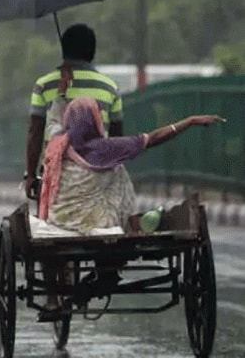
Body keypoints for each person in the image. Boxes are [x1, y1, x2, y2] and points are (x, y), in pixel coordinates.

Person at [37, 96, 224, 314]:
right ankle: (108, 271)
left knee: (45, 242)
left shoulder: (56, 146)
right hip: (101, 224)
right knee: (117, 170)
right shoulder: (108, 148)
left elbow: (51, 129)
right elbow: (153, 139)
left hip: (61, 220)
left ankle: (53, 298)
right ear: (96, 120)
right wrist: (190, 121)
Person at [25, 23, 123, 198]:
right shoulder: (110, 87)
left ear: (64, 50)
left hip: (55, 176)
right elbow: (117, 137)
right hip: (97, 175)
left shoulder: (44, 85)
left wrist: (31, 175)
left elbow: (35, 133)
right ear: (92, 52)